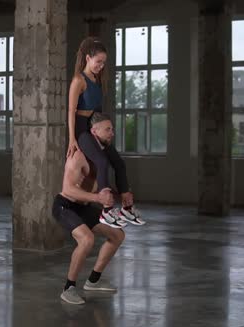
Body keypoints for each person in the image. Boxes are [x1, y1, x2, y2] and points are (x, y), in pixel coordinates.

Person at [66, 36, 145, 227]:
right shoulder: (79, 80)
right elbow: (71, 111)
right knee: (101, 162)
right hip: (82, 128)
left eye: (103, 62)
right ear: (87, 58)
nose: (101, 66)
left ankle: (127, 208)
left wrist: (103, 130)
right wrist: (71, 139)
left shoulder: (98, 79)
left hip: (96, 127)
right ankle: (106, 211)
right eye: (98, 61)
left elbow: (98, 111)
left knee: (118, 162)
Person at [53, 113, 126, 305]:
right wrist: (97, 198)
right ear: (94, 132)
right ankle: (68, 288)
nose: (112, 133)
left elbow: (99, 187)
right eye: (107, 129)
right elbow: (68, 189)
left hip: (83, 207)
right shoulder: (78, 156)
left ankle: (93, 281)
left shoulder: (102, 157)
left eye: (112, 129)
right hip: (65, 205)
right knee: (87, 239)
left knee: (117, 235)